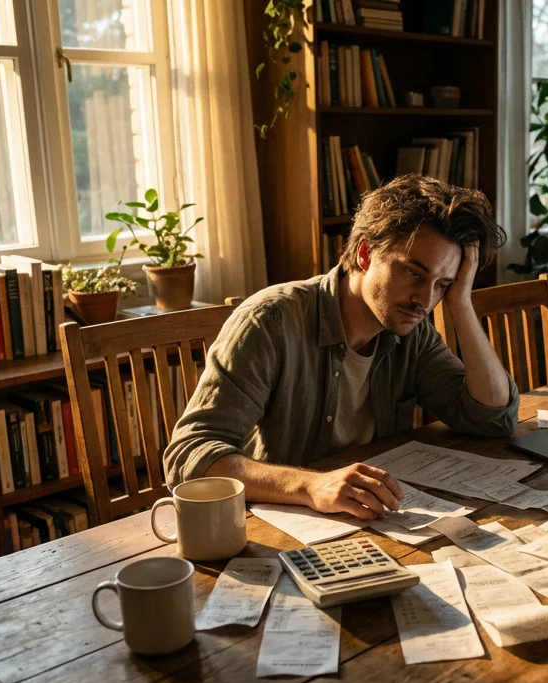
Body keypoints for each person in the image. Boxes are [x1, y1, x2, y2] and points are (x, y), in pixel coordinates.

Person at [163, 174, 518, 520]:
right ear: (365, 252)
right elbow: (189, 456)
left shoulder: (413, 331)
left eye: (442, 284)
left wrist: (462, 304)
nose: (425, 300)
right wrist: (310, 486)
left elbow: (493, 419)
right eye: (413, 272)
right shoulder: (269, 322)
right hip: (276, 526)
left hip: (374, 519)